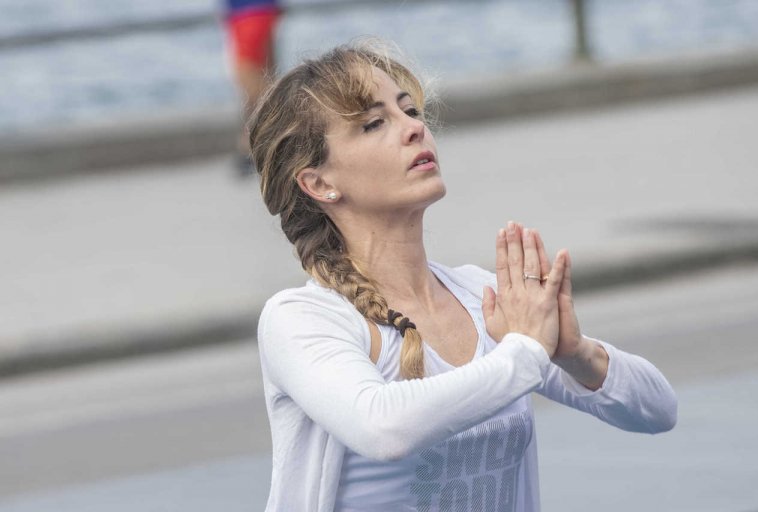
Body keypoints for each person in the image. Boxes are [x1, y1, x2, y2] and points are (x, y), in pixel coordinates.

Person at [248, 42, 677, 511]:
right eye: (374, 124)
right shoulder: (302, 319)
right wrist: (526, 352)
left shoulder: (481, 295)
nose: (414, 128)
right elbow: (383, 429)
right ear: (319, 183)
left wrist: (576, 354)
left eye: (410, 110)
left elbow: (658, 410)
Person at [222, 0, 280, 174]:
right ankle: (259, 141)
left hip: (247, 13)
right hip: (257, 12)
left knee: (250, 79)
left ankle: (255, 142)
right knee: (264, 77)